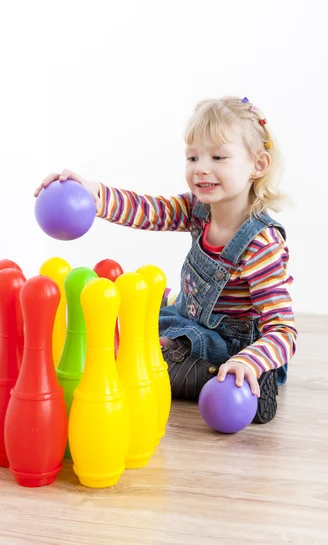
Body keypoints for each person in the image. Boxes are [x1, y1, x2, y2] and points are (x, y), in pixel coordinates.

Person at [34, 95, 297, 424]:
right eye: (192, 157)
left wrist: (251, 361)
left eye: (218, 156)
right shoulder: (197, 209)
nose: (201, 168)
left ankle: (244, 381)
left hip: (231, 347)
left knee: (144, 363)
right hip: (189, 322)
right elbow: (148, 211)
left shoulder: (261, 244)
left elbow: (283, 330)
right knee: (130, 323)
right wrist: (93, 193)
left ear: (258, 166)